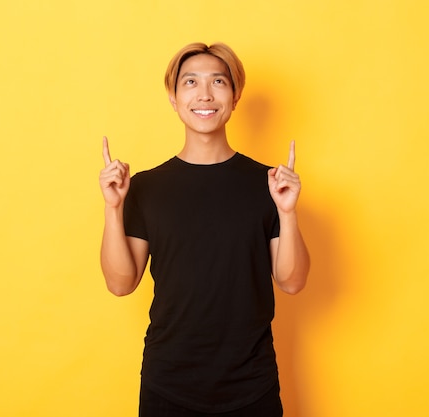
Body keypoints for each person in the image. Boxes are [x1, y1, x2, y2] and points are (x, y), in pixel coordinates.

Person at [99, 42, 310, 417]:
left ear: (235, 96)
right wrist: (113, 207)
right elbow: (120, 283)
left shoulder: (269, 184)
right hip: (169, 385)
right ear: (174, 98)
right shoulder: (146, 188)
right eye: (191, 82)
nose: (205, 94)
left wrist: (288, 212)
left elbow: (292, 281)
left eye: (218, 82)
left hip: (252, 384)